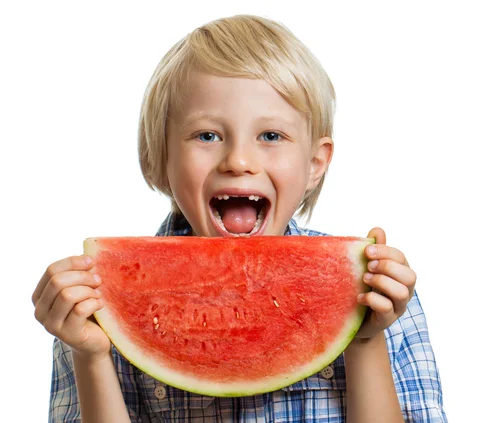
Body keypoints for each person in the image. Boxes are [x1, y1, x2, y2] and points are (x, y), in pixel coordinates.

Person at [32, 14, 447, 423]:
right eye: (207, 135)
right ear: (161, 156)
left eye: (271, 136)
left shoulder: (381, 295)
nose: (239, 161)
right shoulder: (96, 305)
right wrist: (91, 356)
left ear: (316, 163)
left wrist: (365, 341)